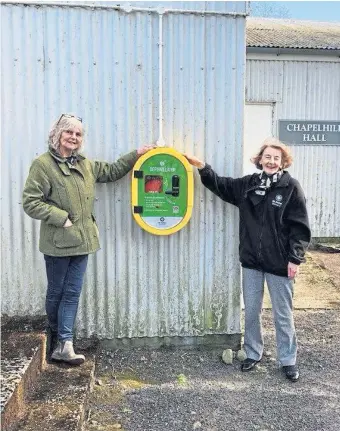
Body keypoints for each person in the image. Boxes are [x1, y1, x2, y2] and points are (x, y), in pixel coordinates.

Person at [23, 113, 154, 365]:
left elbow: (113, 170)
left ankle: (65, 343)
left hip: (83, 241)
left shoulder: (85, 164)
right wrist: (60, 217)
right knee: (56, 292)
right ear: (57, 135)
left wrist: (137, 153)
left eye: (78, 134)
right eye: (68, 132)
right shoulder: (43, 165)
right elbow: (31, 201)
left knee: (72, 293)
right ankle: (54, 336)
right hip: (57, 242)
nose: (73, 137)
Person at [184, 138, 311, 382]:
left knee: (282, 314)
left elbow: (300, 228)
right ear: (260, 159)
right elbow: (222, 186)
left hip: (280, 263)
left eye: (277, 158)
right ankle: (253, 352)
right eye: (268, 157)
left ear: (283, 162)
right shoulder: (249, 185)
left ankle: (288, 360)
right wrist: (203, 168)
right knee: (251, 311)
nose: (272, 161)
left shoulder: (291, 187)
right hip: (252, 261)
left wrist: (295, 258)